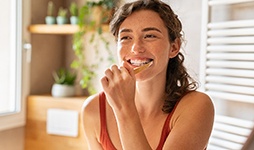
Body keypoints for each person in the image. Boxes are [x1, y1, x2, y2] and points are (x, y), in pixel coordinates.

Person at [81, 0, 215, 149]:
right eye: (126, 37)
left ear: (174, 47)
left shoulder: (196, 106)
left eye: (150, 36)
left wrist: (124, 107)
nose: (136, 48)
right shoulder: (93, 110)